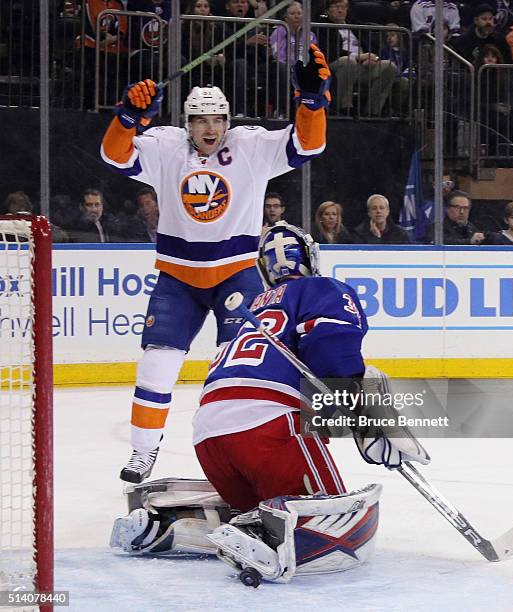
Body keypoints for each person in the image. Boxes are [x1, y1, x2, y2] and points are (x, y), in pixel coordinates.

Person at [109, 223, 429, 583]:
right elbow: (332, 351)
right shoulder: (323, 289)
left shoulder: (253, 309)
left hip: (210, 436)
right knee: (333, 528)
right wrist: (370, 419)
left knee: (253, 510)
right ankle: (263, 539)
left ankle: (166, 526)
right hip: (269, 430)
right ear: (311, 257)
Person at [100, 44, 333, 483]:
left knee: (243, 371)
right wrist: (127, 119)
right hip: (178, 279)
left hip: (236, 275)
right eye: (201, 120)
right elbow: (116, 156)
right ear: (186, 124)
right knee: (156, 365)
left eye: (218, 119)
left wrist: (311, 103)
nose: (212, 128)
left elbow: (309, 144)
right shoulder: (167, 146)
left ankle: (243, 454)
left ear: (228, 120)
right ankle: (143, 452)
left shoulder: (250, 145)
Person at [315, 0, 398, 116]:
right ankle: (345, 108)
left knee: (389, 66)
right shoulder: (322, 26)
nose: (341, 10)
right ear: (328, 10)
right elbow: (330, 51)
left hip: (362, 66)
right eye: (337, 7)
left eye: (344, 7)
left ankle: (372, 111)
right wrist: (358, 57)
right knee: (349, 62)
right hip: (337, 65)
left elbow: (372, 45)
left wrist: (373, 58)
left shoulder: (354, 24)